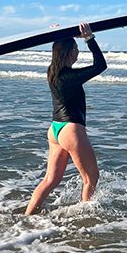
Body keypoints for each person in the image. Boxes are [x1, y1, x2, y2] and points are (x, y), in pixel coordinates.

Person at [25, 23, 107, 215]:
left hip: (55, 130)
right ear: (69, 53)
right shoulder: (69, 76)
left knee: (50, 180)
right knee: (90, 178)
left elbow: (59, 49)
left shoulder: (52, 72)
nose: (78, 53)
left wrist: (59, 35)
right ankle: (85, 219)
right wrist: (89, 39)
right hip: (71, 130)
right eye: (76, 49)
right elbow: (100, 65)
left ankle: (28, 216)